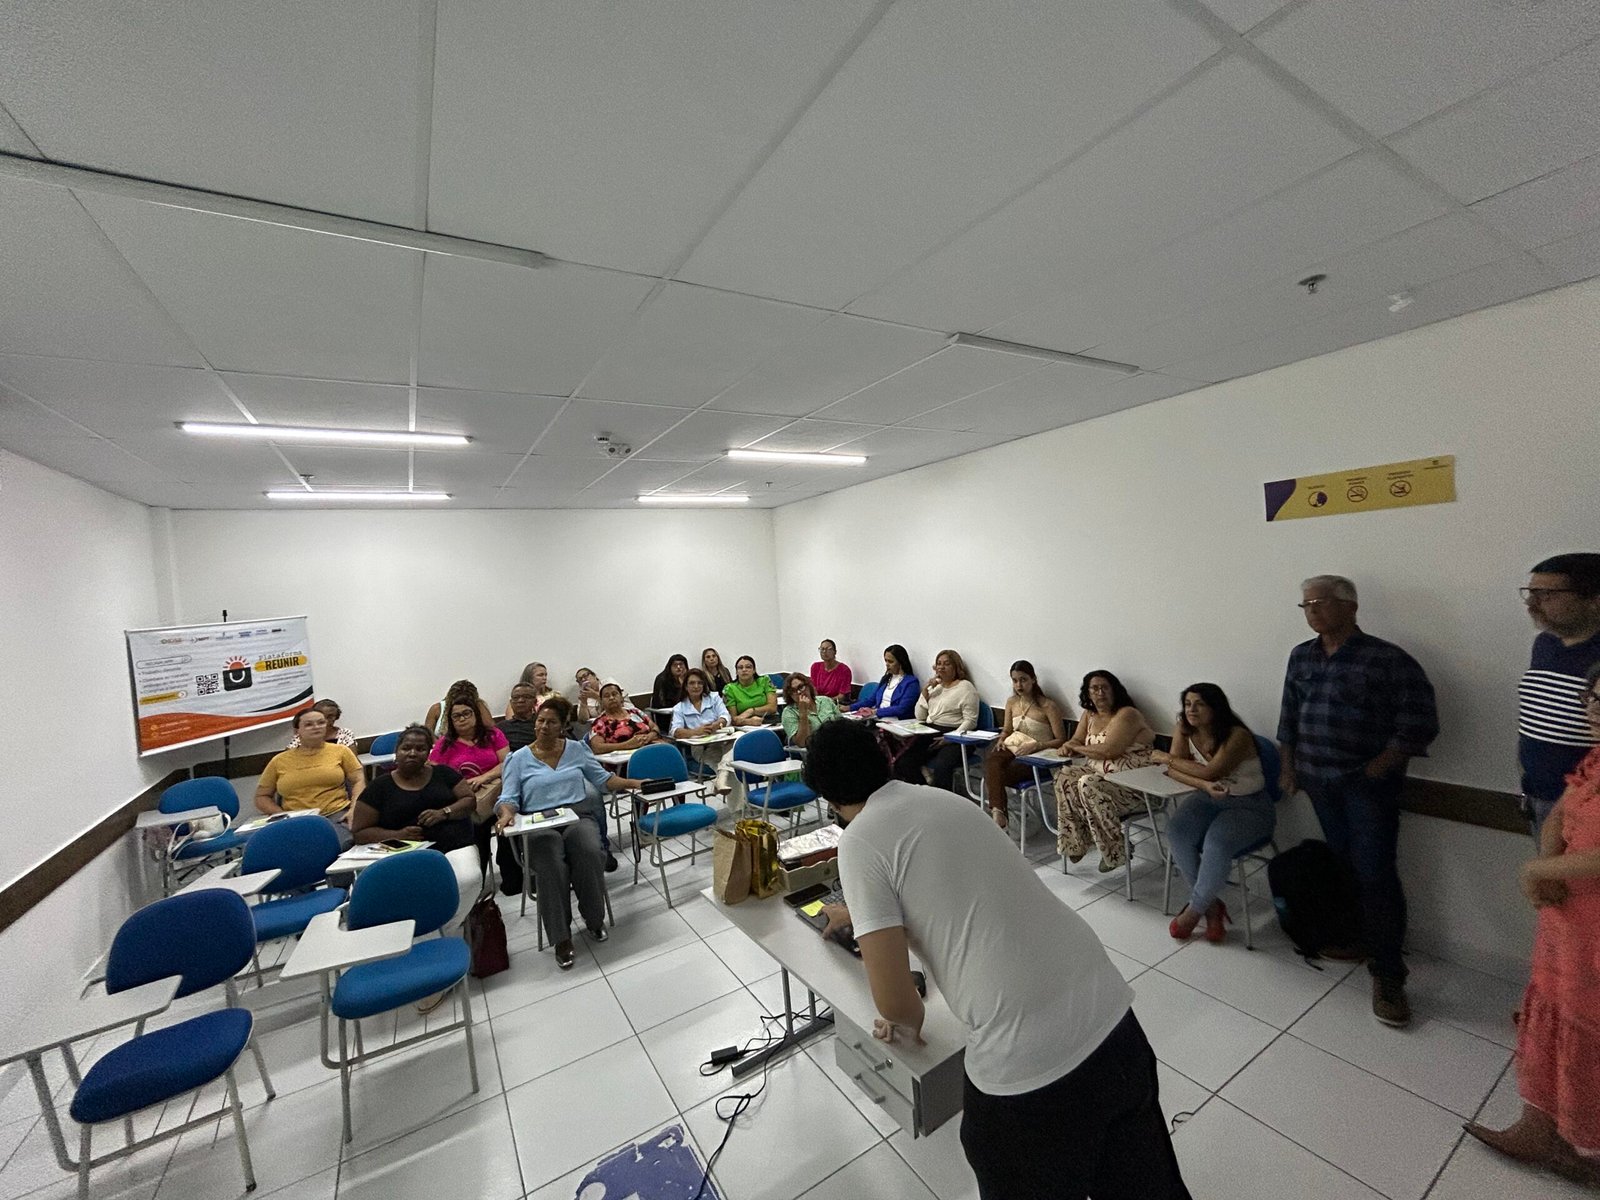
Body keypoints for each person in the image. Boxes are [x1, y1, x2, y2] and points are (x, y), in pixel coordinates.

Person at [800, 720, 1191, 1200]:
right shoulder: (945, 799)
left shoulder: (859, 840)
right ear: (885, 759)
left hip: (1029, 1068)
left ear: (828, 797)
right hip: (1111, 1018)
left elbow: (901, 1008)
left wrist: (897, 1014)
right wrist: (863, 914)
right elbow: (955, 890)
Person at [1278, 574, 1438, 1028]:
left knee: (1375, 874)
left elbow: (1419, 721)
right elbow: (1289, 716)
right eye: (1306, 603)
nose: (1312, 610)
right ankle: (1359, 938)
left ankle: (1388, 974)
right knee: (1345, 866)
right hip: (1318, 781)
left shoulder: (1387, 659)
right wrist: (1289, 768)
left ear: (1350, 606)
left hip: (1366, 787)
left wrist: (1379, 767)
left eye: (1321, 601)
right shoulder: (1301, 656)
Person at [1465, 661, 1600, 1188]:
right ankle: (1542, 1128)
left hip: (1593, 922)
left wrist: (1539, 871)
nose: (1595, 709)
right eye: (1592, 697)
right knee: (1553, 1009)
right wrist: (1546, 863)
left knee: (1586, 1026)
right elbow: (1560, 815)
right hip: (1568, 912)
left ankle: (1585, 1151)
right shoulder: (1594, 758)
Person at [495, 698, 643, 969]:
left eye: (551, 722)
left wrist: (636, 783)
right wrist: (506, 814)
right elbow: (509, 798)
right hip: (539, 825)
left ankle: (593, 919)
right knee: (550, 864)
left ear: (563, 726)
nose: (544, 726)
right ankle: (561, 937)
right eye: (540, 721)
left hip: (577, 816)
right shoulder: (517, 759)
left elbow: (603, 779)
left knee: (589, 851)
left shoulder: (576, 750)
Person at [350, 724, 483, 1010]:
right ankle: (433, 957)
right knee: (417, 898)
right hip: (408, 857)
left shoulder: (444, 774)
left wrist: (444, 812)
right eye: (406, 748)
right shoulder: (380, 787)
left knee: (469, 878)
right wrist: (396, 834)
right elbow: (360, 831)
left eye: (420, 748)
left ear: (428, 752)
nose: (413, 753)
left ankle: (442, 936)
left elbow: (469, 801)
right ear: (396, 751)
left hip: (454, 846)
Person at [1156, 684, 1273, 944]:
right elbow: (1174, 770)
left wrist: (1168, 760)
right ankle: (1211, 907)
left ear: (1216, 708)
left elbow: (1211, 772)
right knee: (1177, 831)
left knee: (1216, 843)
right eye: (1187, 704)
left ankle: (1194, 911)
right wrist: (1196, 779)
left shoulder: (1237, 735)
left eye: (1199, 704)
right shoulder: (1186, 729)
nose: (1191, 710)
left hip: (1249, 804)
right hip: (1209, 798)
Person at [1518, 553, 1600, 841]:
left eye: (1547, 595)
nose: (1532, 604)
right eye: (1530, 593)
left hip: (1586, 806)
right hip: (1537, 796)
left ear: (1594, 600)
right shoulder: (1545, 644)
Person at [1054, 671, 1157, 873]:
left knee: (1088, 783)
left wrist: (1077, 748)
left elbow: (1110, 751)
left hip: (1134, 788)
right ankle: (1077, 842)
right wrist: (1069, 746)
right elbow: (1076, 740)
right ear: (1088, 693)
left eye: (1105, 688)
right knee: (1064, 775)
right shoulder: (1089, 715)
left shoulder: (1127, 714)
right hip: (1102, 779)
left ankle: (1116, 850)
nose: (1100, 693)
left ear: (1114, 690)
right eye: (1095, 688)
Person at [254, 708, 365, 849]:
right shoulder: (279, 761)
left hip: (336, 814)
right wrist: (281, 815)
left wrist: (354, 809)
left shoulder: (341, 751)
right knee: (291, 850)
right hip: (296, 819)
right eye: (309, 724)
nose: (316, 727)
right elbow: (262, 796)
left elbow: (358, 780)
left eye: (321, 723)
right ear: (297, 731)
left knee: (334, 846)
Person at [982, 661, 1070, 830]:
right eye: (1015, 681)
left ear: (1033, 679)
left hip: (1036, 757)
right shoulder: (1012, 702)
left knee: (995, 775)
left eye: (1023, 680)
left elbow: (1061, 739)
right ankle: (998, 812)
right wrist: (1001, 739)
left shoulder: (1048, 706)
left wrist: (1037, 746)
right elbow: (1007, 729)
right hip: (1012, 747)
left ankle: (999, 815)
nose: (1019, 685)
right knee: (992, 761)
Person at [431, 693, 511, 872]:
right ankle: (477, 878)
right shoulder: (445, 743)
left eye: (466, 713)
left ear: (475, 714)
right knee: (474, 830)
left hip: (497, 793)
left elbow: (507, 763)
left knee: (507, 827)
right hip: (464, 800)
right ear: (450, 720)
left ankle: (510, 875)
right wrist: (460, 786)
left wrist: (484, 777)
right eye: (456, 716)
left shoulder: (493, 735)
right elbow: (435, 774)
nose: (462, 719)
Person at [895, 649, 980, 790]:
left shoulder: (965, 687)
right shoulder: (936, 688)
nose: (941, 667)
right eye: (939, 664)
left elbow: (970, 721)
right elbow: (920, 716)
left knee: (942, 766)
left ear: (956, 667)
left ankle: (942, 798)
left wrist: (950, 738)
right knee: (904, 762)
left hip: (957, 735)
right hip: (931, 731)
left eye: (946, 664)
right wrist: (925, 692)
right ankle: (925, 792)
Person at [670, 667, 735, 790]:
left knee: (737, 744)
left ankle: (721, 779)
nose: (696, 686)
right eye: (692, 683)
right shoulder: (680, 707)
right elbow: (675, 731)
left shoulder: (714, 697)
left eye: (700, 683)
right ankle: (722, 780)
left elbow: (726, 716)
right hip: (701, 747)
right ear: (686, 686)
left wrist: (717, 724)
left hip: (721, 740)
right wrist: (695, 731)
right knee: (731, 768)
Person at [588, 679, 660, 754]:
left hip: (650, 749)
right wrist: (626, 745)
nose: (611, 698)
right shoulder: (600, 722)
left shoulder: (635, 712)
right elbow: (597, 748)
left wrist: (649, 736)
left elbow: (654, 727)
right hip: (625, 758)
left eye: (614, 694)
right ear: (601, 701)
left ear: (621, 698)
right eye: (606, 696)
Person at [850, 644, 919, 719]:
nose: (887, 664)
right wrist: (849, 707)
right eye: (886, 661)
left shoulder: (911, 683)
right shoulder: (886, 679)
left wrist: (875, 711)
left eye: (890, 662)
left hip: (897, 719)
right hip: (878, 716)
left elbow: (902, 708)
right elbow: (871, 701)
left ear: (901, 663)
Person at [781, 672, 841, 750]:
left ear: (808, 686)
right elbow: (802, 743)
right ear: (790, 695)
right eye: (793, 691)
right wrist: (803, 713)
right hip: (814, 751)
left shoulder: (826, 701)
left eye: (801, 687)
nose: (799, 692)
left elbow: (842, 725)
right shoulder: (789, 713)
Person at [424, 679, 496, 738]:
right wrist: (439, 745)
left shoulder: (479, 706)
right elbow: (427, 734)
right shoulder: (437, 709)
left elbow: (492, 729)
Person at [723, 655, 777, 728]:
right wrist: (749, 721)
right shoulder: (729, 689)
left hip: (769, 722)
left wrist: (751, 711)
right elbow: (734, 719)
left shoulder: (764, 681)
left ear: (754, 670)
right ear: (736, 672)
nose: (744, 670)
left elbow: (773, 707)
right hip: (744, 727)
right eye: (740, 668)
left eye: (748, 667)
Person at [287, 698, 356, 748]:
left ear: (337, 717)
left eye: (330, 716)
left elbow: (352, 761)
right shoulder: (303, 736)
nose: (326, 720)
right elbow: (287, 758)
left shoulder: (345, 734)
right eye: (321, 716)